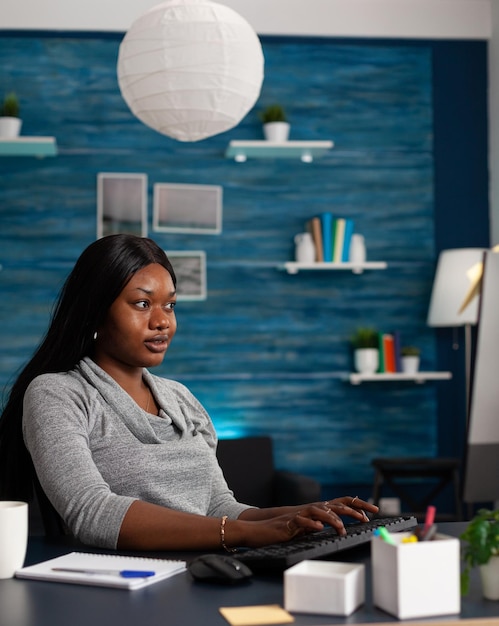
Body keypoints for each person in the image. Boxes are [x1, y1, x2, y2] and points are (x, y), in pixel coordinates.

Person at [0, 234, 377, 551]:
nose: (162, 321)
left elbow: (219, 506)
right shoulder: (57, 393)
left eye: (170, 305)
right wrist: (250, 533)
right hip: (122, 590)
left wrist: (300, 515)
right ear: (95, 312)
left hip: (208, 571)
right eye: (142, 304)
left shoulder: (180, 399)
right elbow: (91, 511)